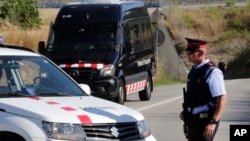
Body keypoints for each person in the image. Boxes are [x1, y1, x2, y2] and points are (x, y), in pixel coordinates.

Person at [180, 38, 227, 141]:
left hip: (206, 122)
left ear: (200, 53)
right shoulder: (193, 71)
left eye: (190, 52)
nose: (187, 55)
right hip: (193, 122)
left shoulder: (212, 72)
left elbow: (222, 99)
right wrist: (186, 112)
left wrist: (213, 122)